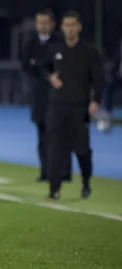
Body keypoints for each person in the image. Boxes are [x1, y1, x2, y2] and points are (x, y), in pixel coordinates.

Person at [42, 10, 104, 200]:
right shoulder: (55, 49)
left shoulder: (90, 52)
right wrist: (50, 76)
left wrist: (95, 101)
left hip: (79, 107)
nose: (69, 28)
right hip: (57, 105)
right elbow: (44, 67)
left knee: (82, 149)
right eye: (66, 25)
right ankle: (54, 189)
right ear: (62, 28)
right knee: (55, 148)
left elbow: (98, 79)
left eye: (72, 25)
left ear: (79, 27)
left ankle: (86, 182)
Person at [21, 9, 71, 182]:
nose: (42, 26)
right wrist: (43, 69)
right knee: (42, 134)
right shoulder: (31, 42)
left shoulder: (60, 41)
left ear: (52, 24)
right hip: (39, 94)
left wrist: (41, 65)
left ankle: (64, 172)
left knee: (60, 134)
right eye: (39, 23)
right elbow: (26, 65)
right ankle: (45, 172)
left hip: (59, 93)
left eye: (45, 22)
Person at [97, 34, 122, 132]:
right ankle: (107, 115)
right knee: (108, 88)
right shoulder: (120, 44)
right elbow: (117, 59)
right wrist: (112, 74)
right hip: (119, 77)